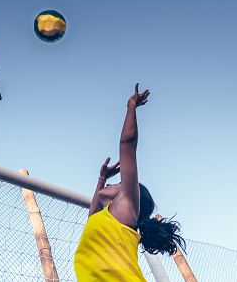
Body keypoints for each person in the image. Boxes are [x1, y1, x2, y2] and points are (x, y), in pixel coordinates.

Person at [74, 84, 185, 281]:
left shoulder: (126, 209)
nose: (111, 185)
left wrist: (131, 107)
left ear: (126, 194)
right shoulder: (103, 219)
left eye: (117, 183)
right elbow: (92, 213)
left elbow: (128, 145)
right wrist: (102, 178)